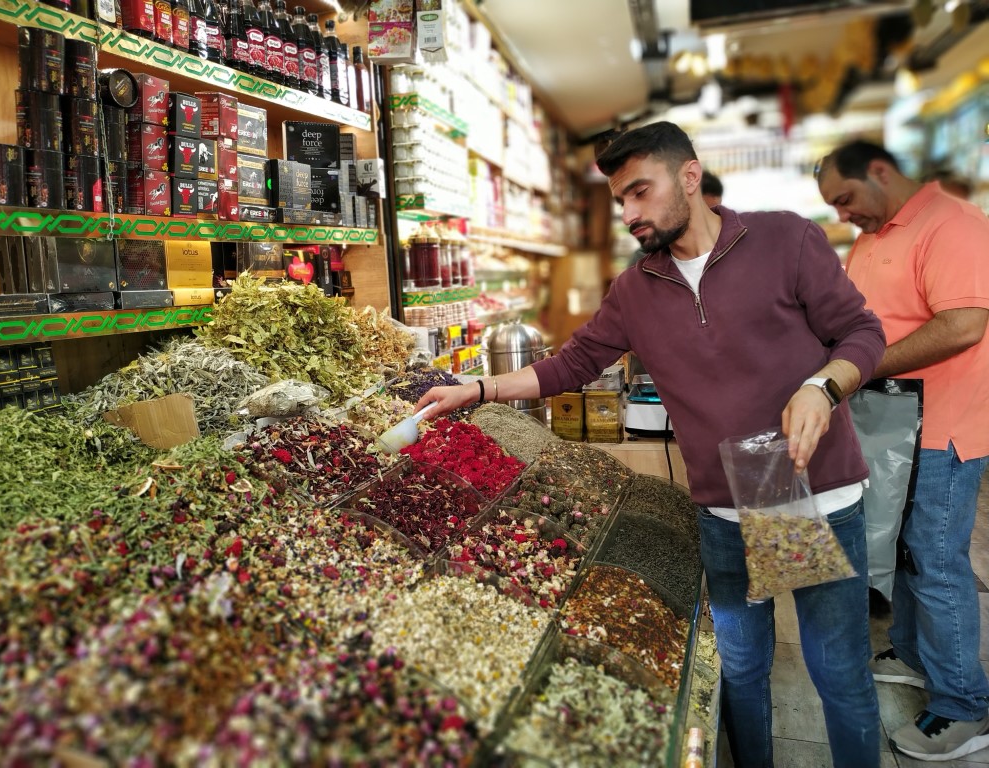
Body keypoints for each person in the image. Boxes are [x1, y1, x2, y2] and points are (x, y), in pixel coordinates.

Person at [418, 121, 886, 768]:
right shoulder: (638, 288)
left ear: (689, 178)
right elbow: (571, 365)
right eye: (621, 202)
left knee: (836, 672)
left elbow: (861, 332)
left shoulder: (784, 239)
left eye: (641, 192)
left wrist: (822, 389)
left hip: (806, 493)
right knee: (741, 675)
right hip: (725, 506)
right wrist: (475, 389)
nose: (629, 214)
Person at [816, 140, 989, 762]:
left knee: (938, 561)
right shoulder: (874, 234)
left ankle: (964, 705)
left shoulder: (953, 224)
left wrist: (855, 369)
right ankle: (915, 653)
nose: (842, 214)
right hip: (894, 428)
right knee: (909, 550)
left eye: (845, 198)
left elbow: (964, 324)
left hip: (943, 428)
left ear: (880, 172)